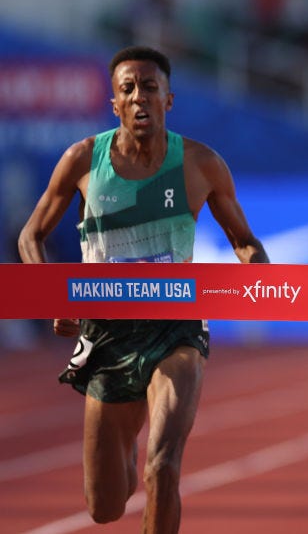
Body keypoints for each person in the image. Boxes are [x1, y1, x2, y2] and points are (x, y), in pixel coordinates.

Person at [18, 46, 268, 533]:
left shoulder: (200, 163)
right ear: (114, 103)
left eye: (149, 88)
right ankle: (126, 431)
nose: (139, 98)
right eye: (127, 89)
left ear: (168, 99)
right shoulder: (83, 160)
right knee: (105, 505)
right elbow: (32, 235)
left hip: (177, 328)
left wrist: (262, 277)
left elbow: (245, 242)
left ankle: (149, 456)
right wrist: (50, 294)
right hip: (106, 332)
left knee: (164, 466)